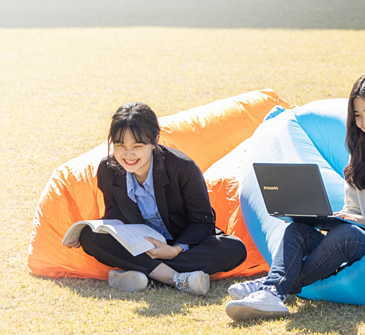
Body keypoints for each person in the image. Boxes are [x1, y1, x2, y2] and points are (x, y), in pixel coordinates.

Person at [225, 71, 365, 320]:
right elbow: (354, 211)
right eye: (358, 116)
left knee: (346, 235)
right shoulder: (361, 155)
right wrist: (338, 218)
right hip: (355, 240)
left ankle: (269, 286)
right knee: (298, 230)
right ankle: (272, 290)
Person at [77, 102, 248, 296]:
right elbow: (116, 215)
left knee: (234, 248)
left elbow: (202, 221)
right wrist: (94, 228)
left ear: (155, 141)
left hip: (181, 244)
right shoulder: (108, 170)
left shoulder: (183, 168)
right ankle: (175, 278)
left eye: (137, 146)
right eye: (120, 145)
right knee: (89, 237)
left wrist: (174, 250)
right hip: (142, 246)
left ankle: (141, 274)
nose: (128, 154)